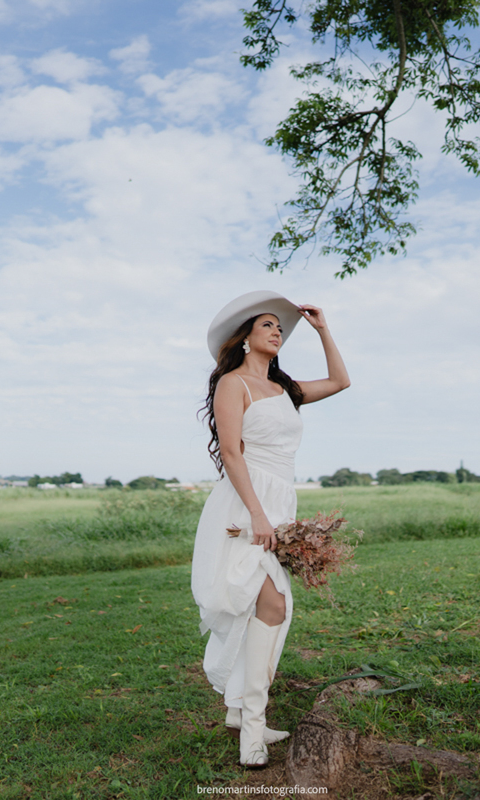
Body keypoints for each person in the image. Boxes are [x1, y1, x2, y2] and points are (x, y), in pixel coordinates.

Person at [191, 290, 350, 768]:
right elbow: (234, 453)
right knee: (268, 602)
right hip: (244, 505)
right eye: (268, 325)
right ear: (245, 339)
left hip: (279, 502)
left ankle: (242, 712)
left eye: (280, 327)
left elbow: (341, 381)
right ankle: (251, 731)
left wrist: (323, 329)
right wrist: (258, 514)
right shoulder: (232, 385)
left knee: (271, 608)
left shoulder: (285, 390)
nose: (277, 331)